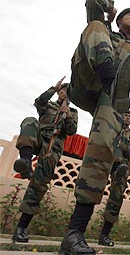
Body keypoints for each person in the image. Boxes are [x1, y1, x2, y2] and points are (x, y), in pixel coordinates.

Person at [59, 0, 130, 254]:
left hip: (110, 96)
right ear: (119, 19)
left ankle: (74, 234)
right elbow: (92, 0)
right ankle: (109, 76)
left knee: (103, 149)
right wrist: (109, 8)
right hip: (87, 81)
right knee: (95, 25)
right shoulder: (106, 30)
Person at [12, 77, 78, 243]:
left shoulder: (73, 112)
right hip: (39, 138)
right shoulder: (49, 105)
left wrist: (67, 114)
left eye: (67, 90)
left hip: (53, 147)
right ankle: (25, 161)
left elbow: (71, 131)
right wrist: (52, 89)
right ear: (58, 92)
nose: (64, 92)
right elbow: (39, 102)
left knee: (38, 185)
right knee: (29, 121)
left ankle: (21, 228)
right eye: (62, 89)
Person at [97, 109, 130, 246]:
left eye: (129, 116)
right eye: (125, 115)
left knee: (116, 197)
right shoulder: (114, 126)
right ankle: (76, 230)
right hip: (105, 161)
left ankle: (104, 234)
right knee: (92, 190)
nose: (127, 118)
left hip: (121, 166)